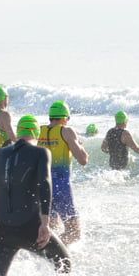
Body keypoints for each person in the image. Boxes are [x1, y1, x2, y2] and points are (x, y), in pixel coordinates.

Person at [0, 113, 72, 276]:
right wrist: (45, 224)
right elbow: (45, 185)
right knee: (63, 260)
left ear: (19, 131)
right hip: (30, 228)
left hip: (1, 230)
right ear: (36, 133)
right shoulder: (41, 153)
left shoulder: (1, 153)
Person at [39, 101, 90, 241]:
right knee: (74, 233)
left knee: (51, 232)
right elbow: (83, 160)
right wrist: (79, 144)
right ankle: (57, 253)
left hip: (42, 187)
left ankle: (46, 254)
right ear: (65, 117)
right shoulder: (66, 131)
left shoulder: (39, 131)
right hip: (61, 188)